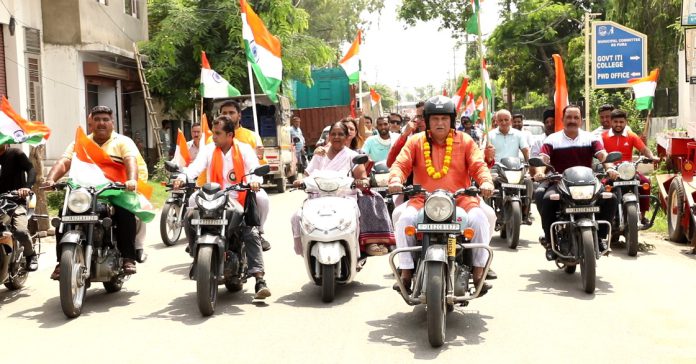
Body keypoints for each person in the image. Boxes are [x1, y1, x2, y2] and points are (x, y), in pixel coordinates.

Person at [388, 95, 495, 293]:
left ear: (451, 120)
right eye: (435, 119)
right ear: (427, 121)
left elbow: (478, 165)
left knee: (480, 219)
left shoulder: (465, 140)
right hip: (423, 199)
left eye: (444, 118)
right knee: (403, 221)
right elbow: (400, 165)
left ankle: (479, 271)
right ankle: (406, 272)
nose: (439, 123)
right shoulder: (415, 141)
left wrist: (486, 181)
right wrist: (395, 180)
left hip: (461, 199)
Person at [173, 115, 271, 299]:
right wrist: (182, 178)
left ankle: (259, 280)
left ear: (230, 135)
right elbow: (194, 168)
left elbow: (254, 171)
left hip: (238, 196)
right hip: (213, 195)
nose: (214, 137)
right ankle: (195, 248)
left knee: (250, 231)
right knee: (190, 211)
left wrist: (254, 182)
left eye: (217, 133)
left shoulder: (244, 149)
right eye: (213, 133)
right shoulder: (209, 149)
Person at [45, 106, 141, 279]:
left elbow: (130, 160)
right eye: (97, 120)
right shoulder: (80, 142)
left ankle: (128, 257)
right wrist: (50, 179)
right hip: (84, 195)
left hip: (114, 193)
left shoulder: (122, 142)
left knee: (125, 213)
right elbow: (64, 161)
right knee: (64, 213)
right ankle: (62, 262)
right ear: (90, 124)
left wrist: (131, 180)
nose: (101, 123)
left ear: (112, 123)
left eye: (105, 119)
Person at [291, 122, 390, 256]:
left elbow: (363, 177)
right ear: (329, 136)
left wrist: (362, 182)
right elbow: (307, 176)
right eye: (333, 134)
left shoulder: (352, 156)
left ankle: (353, 252)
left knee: (352, 218)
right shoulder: (320, 154)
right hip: (318, 199)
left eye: (340, 134)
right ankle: (305, 250)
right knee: (297, 217)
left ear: (347, 137)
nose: (336, 137)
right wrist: (300, 181)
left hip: (345, 200)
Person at [534, 105, 618, 260]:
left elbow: (603, 156)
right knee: (544, 197)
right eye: (569, 117)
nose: (572, 121)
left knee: (611, 198)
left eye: (576, 117)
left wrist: (610, 168)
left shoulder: (591, 138)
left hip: (588, 184)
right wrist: (539, 172)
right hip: (560, 183)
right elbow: (542, 159)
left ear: (581, 120)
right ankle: (550, 241)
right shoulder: (552, 139)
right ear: (563, 119)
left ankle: (600, 238)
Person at [219, 100, 271, 251]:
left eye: (231, 112)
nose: (227, 116)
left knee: (262, 199)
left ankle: (258, 232)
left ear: (239, 115)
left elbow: (260, 165)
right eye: (224, 113)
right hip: (219, 187)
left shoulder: (251, 137)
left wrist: (260, 157)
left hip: (244, 185)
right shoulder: (212, 137)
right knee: (192, 201)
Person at [601, 109, 655, 224]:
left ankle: (642, 216)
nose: (618, 124)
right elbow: (599, 153)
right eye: (616, 122)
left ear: (626, 122)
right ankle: (604, 218)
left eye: (621, 122)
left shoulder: (631, 136)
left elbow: (644, 149)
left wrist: (652, 156)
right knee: (602, 188)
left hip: (628, 171)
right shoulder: (603, 137)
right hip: (611, 172)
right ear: (611, 122)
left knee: (645, 182)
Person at [0, 145, 38, 271]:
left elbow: (31, 169)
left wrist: (27, 187)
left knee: (20, 231)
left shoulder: (16, 153)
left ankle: (30, 255)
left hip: (15, 201)